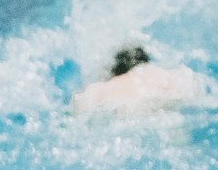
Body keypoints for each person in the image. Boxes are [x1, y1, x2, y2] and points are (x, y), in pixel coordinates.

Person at [69, 44, 207, 118]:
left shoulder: (106, 87)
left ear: (115, 71)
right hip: (164, 108)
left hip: (129, 115)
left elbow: (78, 106)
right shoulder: (164, 75)